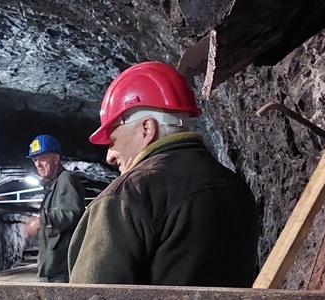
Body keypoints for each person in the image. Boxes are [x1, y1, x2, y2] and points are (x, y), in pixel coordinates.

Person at [68, 62, 260, 286]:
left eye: (113, 141)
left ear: (147, 129)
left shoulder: (127, 196)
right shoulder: (236, 188)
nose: (109, 156)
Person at [28, 135, 85, 283]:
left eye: (43, 158)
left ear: (56, 159)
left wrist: (41, 220)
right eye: (35, 160)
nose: (38, 164)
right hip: (53, 266)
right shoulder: (53, 184)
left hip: (62, 267)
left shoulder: (66, 178)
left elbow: (72, 213)